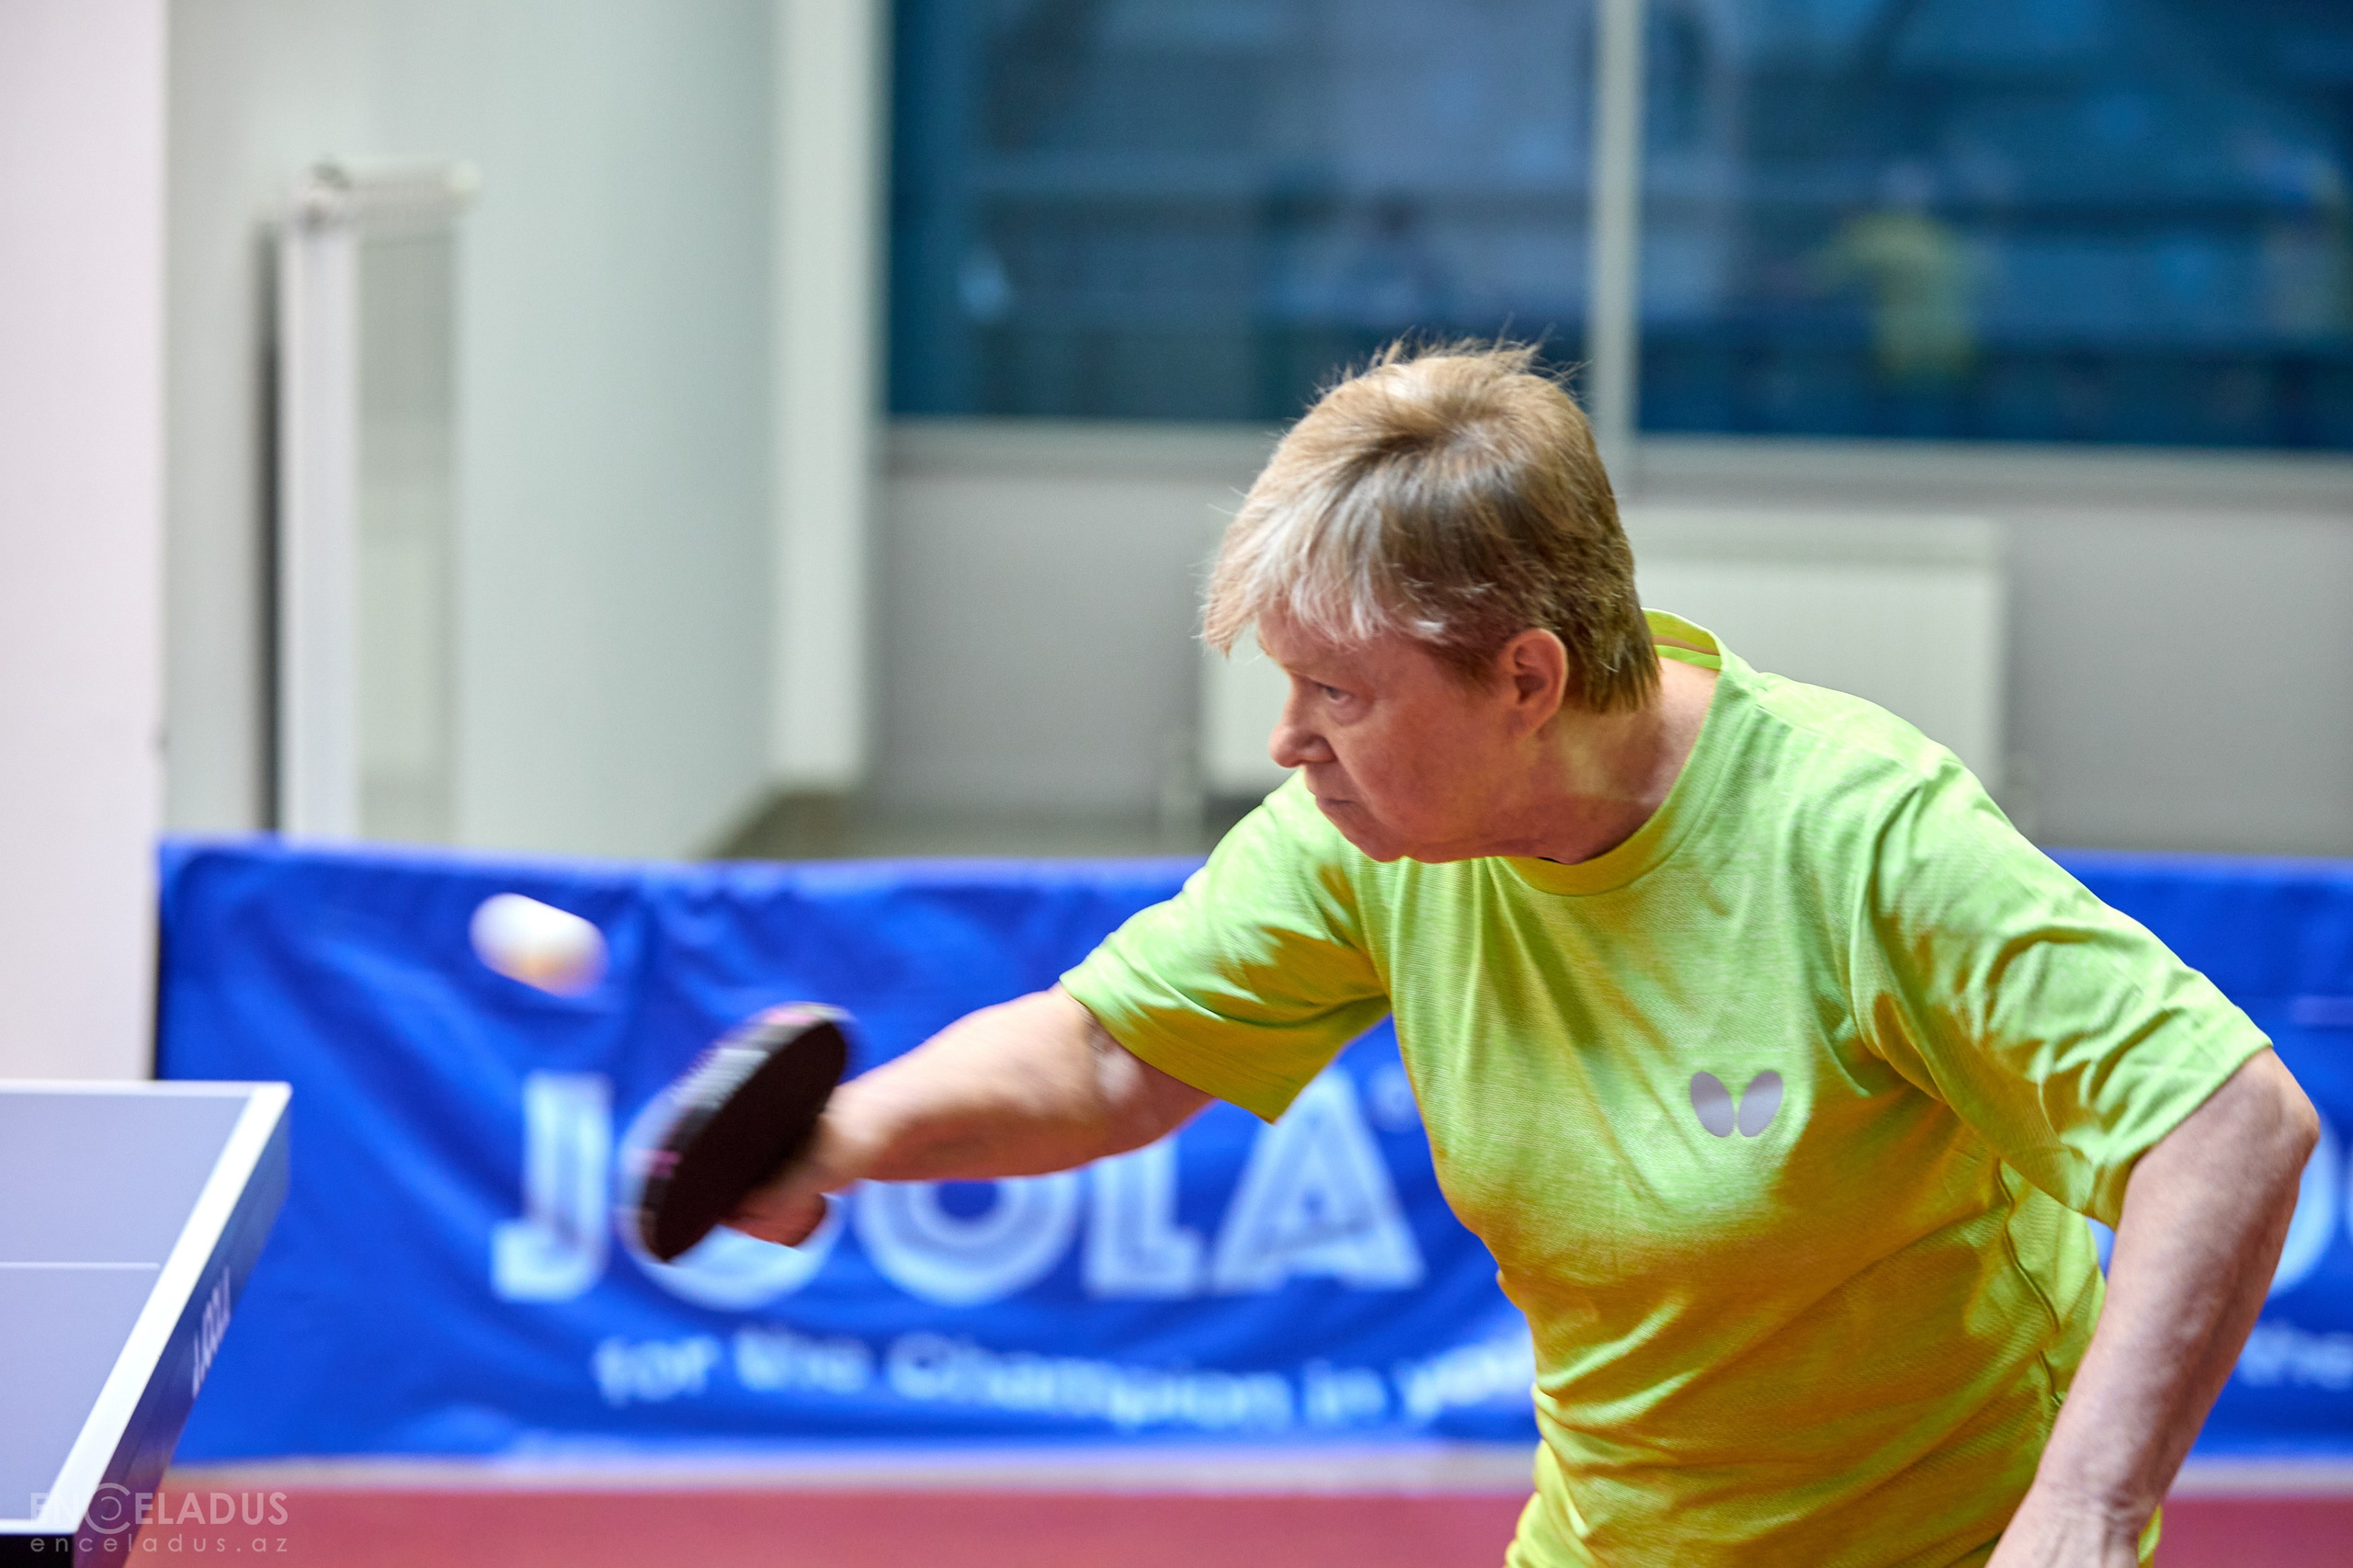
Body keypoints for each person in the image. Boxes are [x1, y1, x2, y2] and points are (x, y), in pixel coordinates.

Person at [728, 342, 2317, 1568]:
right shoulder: (1366, 845)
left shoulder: (1859, 836)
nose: (1288, 743)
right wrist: (843, 1134)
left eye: (1336, 692)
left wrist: (2090, 1506)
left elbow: (2231, 1120)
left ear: (1528, 677)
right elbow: (1105, 1052)